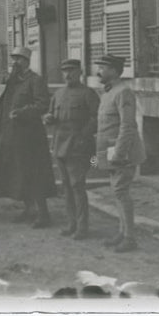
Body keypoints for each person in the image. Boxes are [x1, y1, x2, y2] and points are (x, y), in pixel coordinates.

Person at [0, 46, 57, 227]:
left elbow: (43, 104)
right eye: (14, 59)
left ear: (26, 61)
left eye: (19, 59)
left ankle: (43, 214)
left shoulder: (35, 80)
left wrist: (23, 112)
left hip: (30, 137)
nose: (15, 63)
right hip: (13, 136)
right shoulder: (14, 82)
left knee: (35, 174)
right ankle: (29, 209)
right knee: (20, 174)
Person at [94, 54, 145, 252]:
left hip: (122, 153)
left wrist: (119, 154)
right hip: (109, 150)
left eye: (103, 68)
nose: (99, 71)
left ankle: (130, 238)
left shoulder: (123, 92)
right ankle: (123, 232)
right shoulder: (108, 92)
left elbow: (128, 126)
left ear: (114, 71)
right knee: (117, 191)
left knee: (121, 192)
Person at [44, 59, 100, 239]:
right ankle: (72, 223)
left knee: (77, 186)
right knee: (66, 187)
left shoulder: (88, 94)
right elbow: (52, 113)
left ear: (80, 72)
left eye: (72, 71)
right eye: (65, 71)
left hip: (79, 147)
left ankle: (82, 227)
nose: (68, 75)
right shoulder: (58, 94)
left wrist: (83, 136)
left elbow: (96, 119)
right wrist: (49, 118)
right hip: (60, 146)